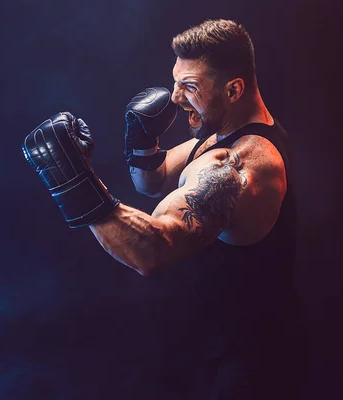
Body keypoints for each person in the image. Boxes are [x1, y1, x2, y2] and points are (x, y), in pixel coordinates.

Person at [23, 18, 306, 400]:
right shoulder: (222, 136)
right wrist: (142, 142)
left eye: (189, 86)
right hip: (209, 347)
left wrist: (70, 179)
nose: (174, 97)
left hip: (247, 368)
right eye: (176, 81)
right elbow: (152, 180)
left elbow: (151, 250)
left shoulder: (242, 164)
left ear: (234, 89)